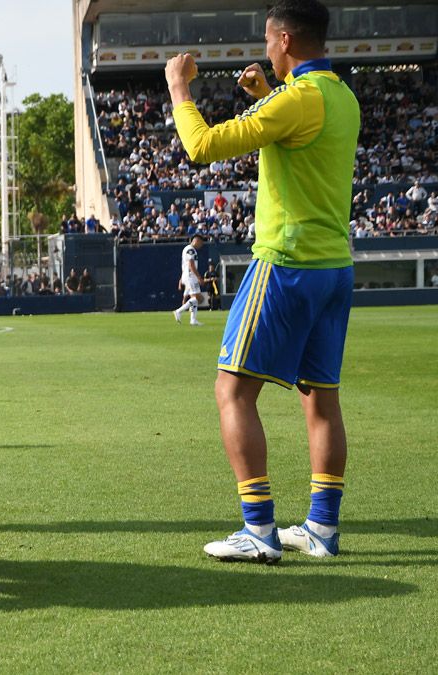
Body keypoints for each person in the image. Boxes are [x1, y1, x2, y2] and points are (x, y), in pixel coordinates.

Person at [166, 0, 358, 563]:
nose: (267, 50)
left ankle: (259, 530)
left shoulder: (298, 99)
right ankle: (321, 530)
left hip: (286, 263)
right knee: (321, 399)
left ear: (284, 42)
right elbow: (303, 136)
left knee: (233, 391)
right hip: (334, 269)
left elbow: (201, 147)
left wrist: (180, 90)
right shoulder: (341, 96)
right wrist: (262, 98)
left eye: (270, 41)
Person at [173, 234, 206, 326]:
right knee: (198, 298)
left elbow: (185, 265)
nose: (201, 245)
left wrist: (181, 278)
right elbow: (191, 265)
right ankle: (179, 311)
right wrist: (199, 278)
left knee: (195, 298)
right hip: (191, 276)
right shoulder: (190, 250)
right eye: (201, 243)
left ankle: (193, 319)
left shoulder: (188, 249)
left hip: (188, 275)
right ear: (196, 241)